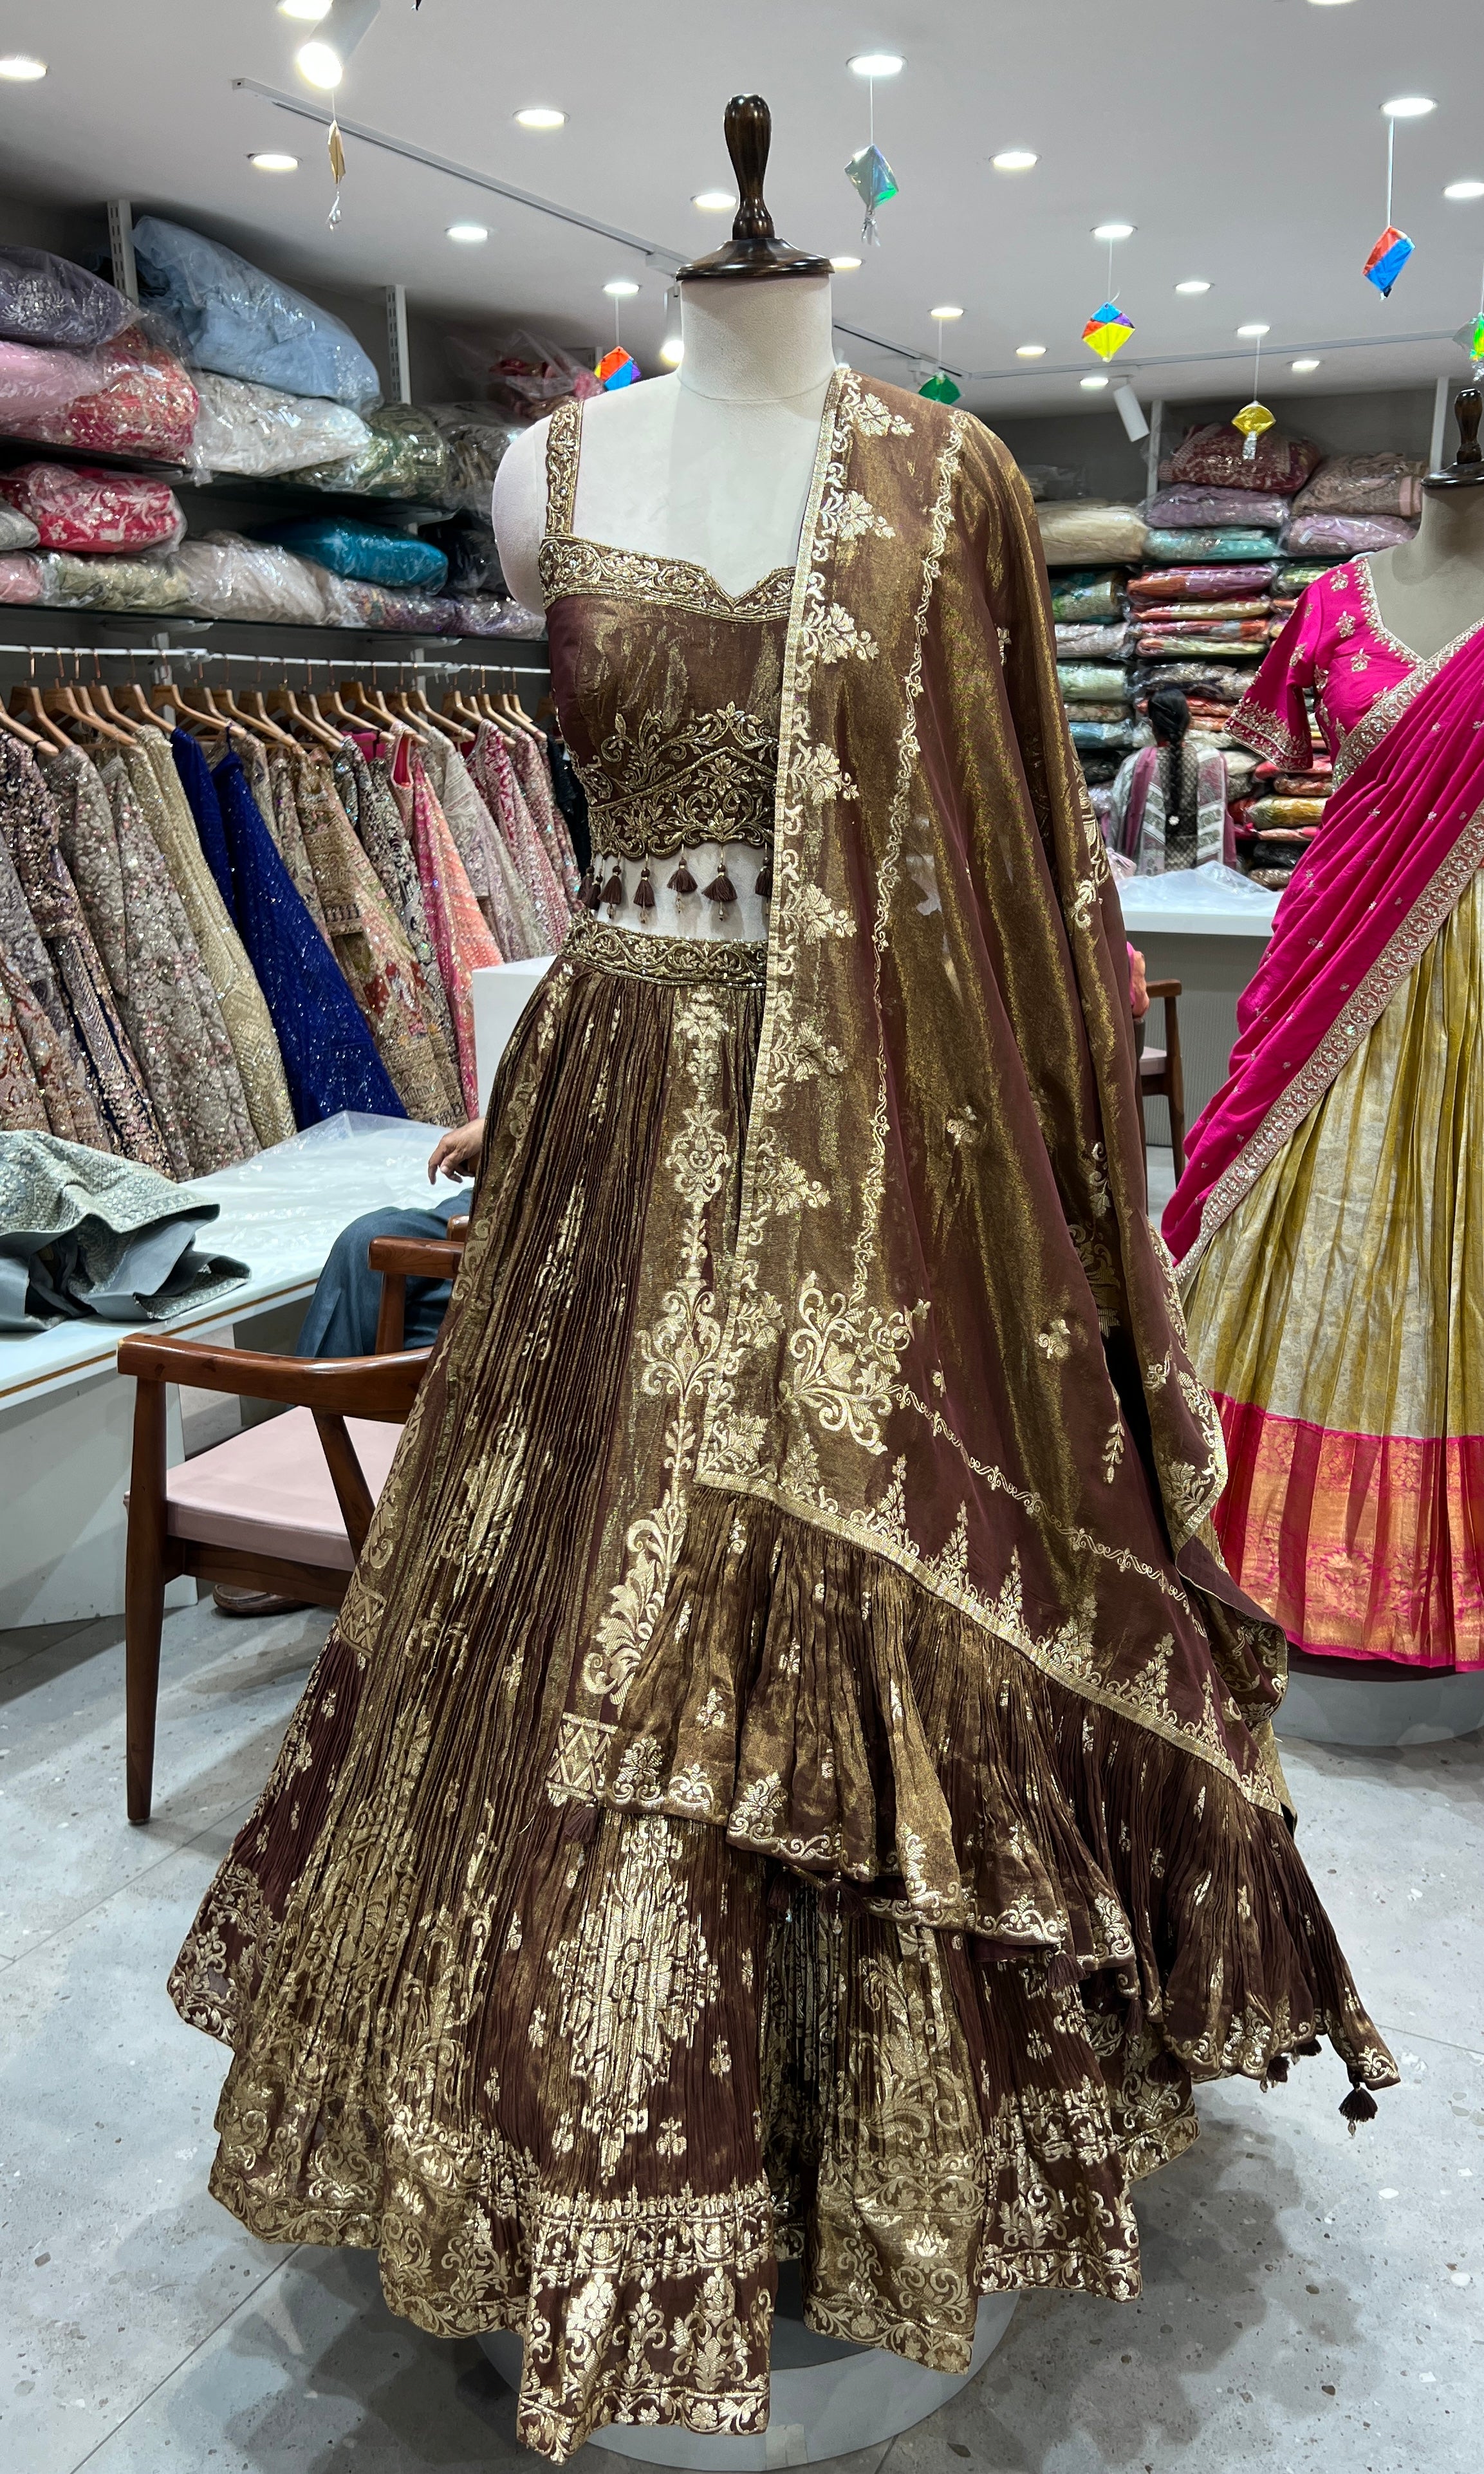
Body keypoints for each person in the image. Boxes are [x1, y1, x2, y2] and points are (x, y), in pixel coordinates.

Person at [167, 277, 1389, 2457]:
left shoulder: (957, 478)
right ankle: (559, 2158)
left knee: (866, 1574)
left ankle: (890, 2160)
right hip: (618, 1101)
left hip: (887, 1130)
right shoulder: (552, 473)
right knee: (565, 1578)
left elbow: (1029, 858)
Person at [1167, 505, 1484, 1670]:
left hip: (1476, 985)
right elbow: (1293, 752)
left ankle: (1431, 1569)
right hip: (1334, 941)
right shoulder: (1333, 601)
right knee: (1300, 1216)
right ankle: (1238, 1524)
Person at [1107, 682, 1234, 871]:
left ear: (1152, 724)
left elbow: (1118, 818)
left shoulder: (1137, 763)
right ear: (1189, 721)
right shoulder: (1212, 761)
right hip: (1201, 874)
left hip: (1151, 877)